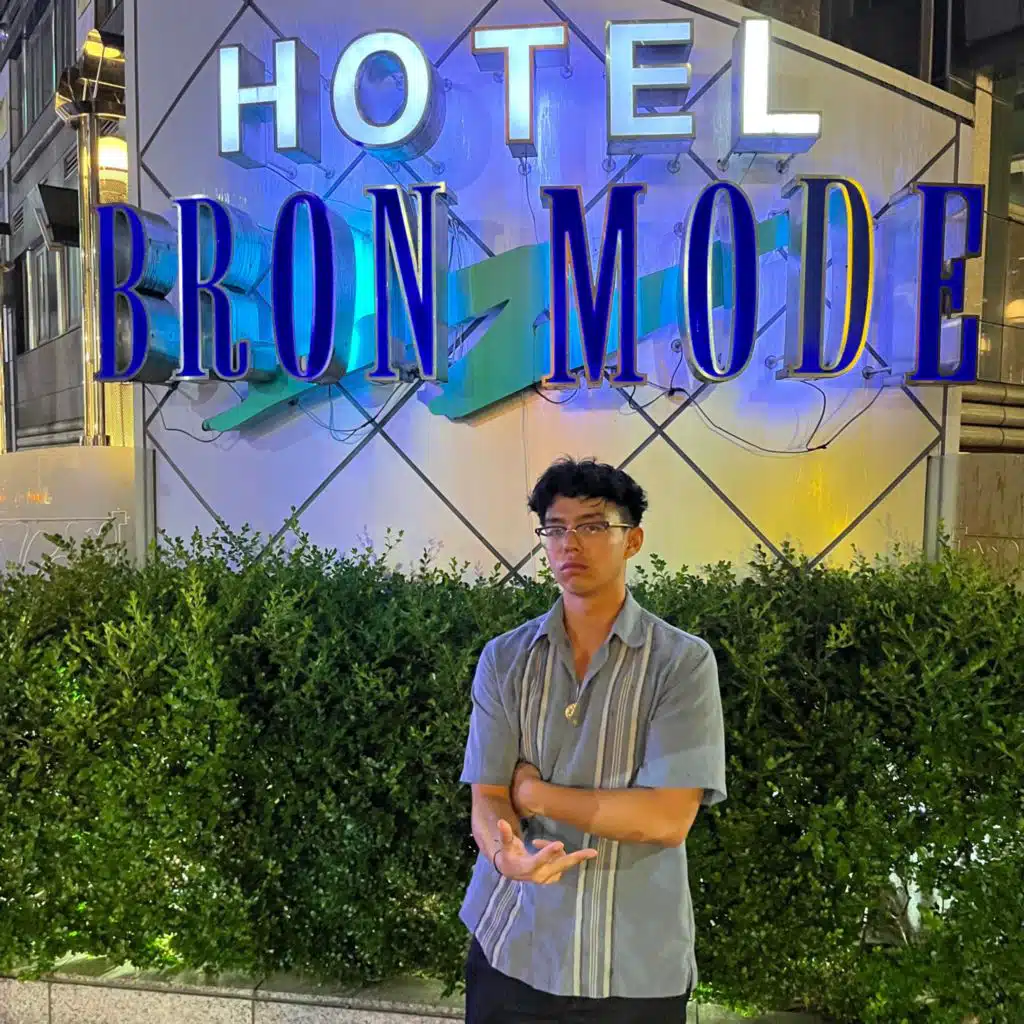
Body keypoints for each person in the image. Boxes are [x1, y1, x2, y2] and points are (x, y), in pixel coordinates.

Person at [458, 456, 728, 1023]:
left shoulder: (681, 663)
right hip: (513, 941)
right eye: (555, 529)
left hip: (634, 963)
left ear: (633, 541)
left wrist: (533, 795)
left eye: (592, 526)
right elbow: (488, 795)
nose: (570, 544)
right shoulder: (505, 659)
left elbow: (665, 819)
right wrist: (504, 853)